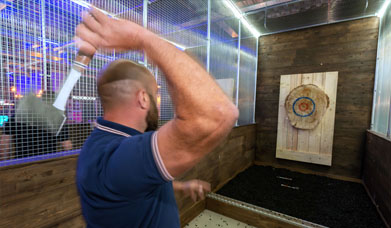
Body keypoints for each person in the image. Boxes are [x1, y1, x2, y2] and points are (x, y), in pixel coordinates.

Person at [75, 8, 238, 228]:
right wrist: (144, 39)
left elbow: (133, 181)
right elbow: (218, 113)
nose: (157, 100)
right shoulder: (116, 157)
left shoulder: (108, 144)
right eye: (156, 93)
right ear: (143, 98)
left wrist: (179, 186)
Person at [0, 91, 72, 160]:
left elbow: (4, 145)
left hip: (22, 164)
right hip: (49, 163)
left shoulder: (15, 118)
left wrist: (6, 166)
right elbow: (67, 146)